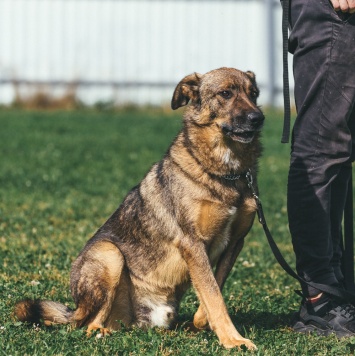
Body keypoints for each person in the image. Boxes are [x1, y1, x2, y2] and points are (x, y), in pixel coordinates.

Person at [286, 0, 355, 336]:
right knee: (320, 148)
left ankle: (338, 285)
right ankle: (320, 299)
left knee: (339, 151)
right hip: (330, 11)